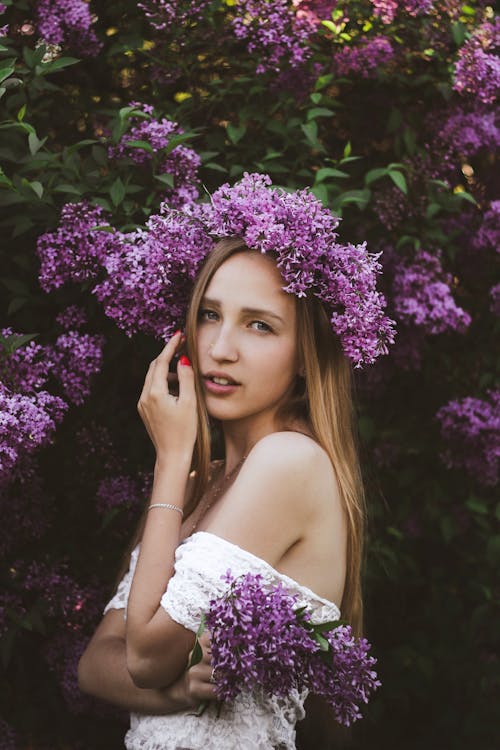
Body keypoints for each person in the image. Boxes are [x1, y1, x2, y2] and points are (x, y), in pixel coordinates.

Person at [78, 175, 395, 749]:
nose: (220, 348)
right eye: (209, 315)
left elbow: (144, 657)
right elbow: (97, 663)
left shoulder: (287, 462)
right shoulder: (208, 483)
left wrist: (171, 458)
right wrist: (177, 693)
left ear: (306, 356)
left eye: (259, 324)